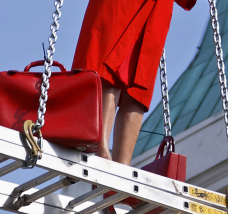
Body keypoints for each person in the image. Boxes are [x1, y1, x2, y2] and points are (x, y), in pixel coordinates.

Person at [72, 0, 196, 164]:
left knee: (138, 89)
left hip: (155, 10)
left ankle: (122, 165)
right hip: (122, 6)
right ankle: (100, 146)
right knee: (109, 72)